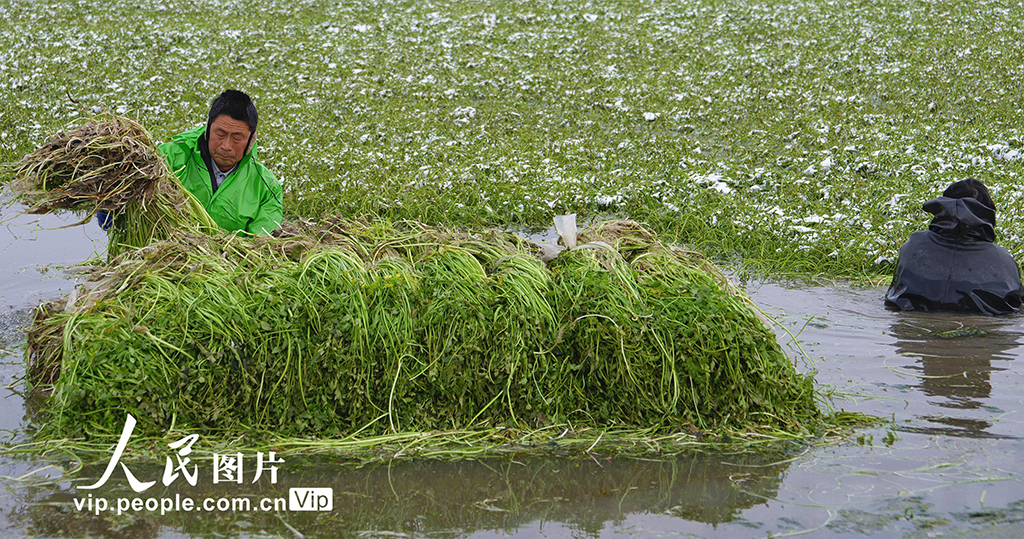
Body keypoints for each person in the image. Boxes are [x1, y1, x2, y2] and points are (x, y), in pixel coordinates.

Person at [99, 90, 282, 235]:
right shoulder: (167, 159)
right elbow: (132, 214)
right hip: (157, 264)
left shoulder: (267, 187)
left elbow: (260, 247)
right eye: (220, 134)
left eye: (237, 138)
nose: (226, 146)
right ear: (207, 128)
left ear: (252, 139)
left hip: (224, 274)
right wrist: (113, 206)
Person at [884, 178, 1023, 314]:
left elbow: (893, 297)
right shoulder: (1003, 261)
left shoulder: (912, 247)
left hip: (912, 331)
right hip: (979, 333)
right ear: (987, 215)